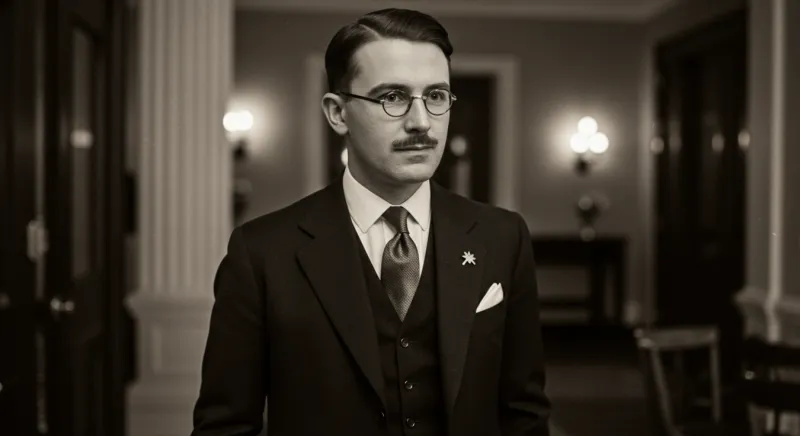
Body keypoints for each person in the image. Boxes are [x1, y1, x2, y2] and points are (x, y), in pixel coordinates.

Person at [191, 8, 551, 436]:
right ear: (337, 113)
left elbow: (524, 413)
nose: (421, 123)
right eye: (393, 97)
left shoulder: (502, 236)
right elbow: (225, 426)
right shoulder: (262, 252)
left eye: (435, 96)